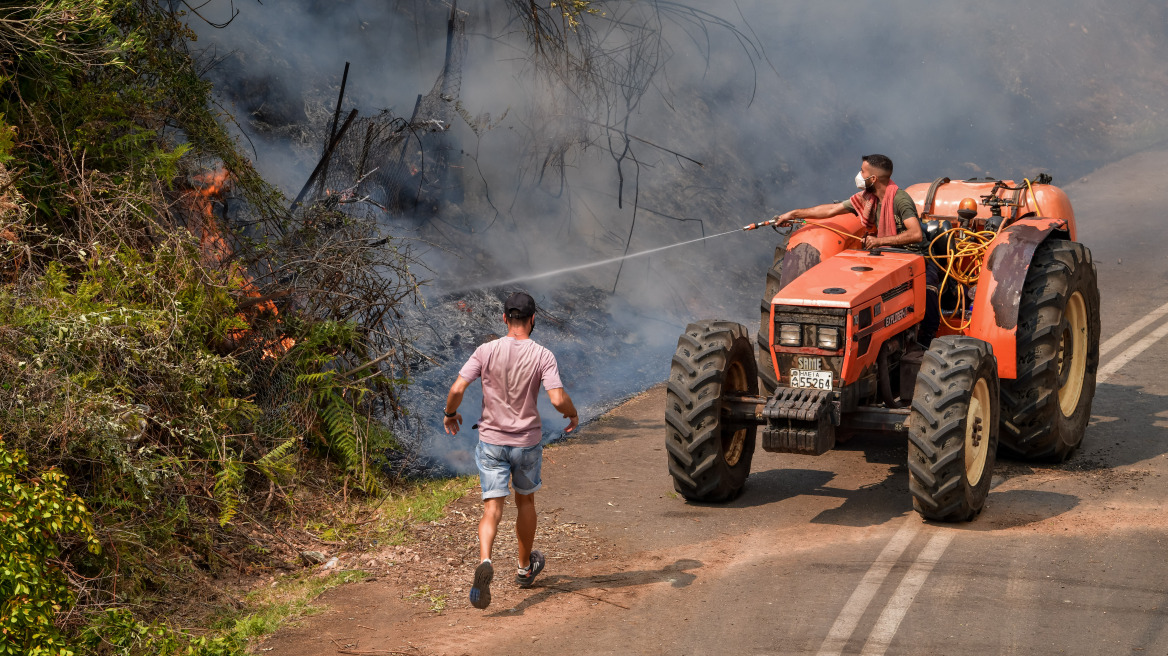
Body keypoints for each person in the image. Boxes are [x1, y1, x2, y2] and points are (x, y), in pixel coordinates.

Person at [443, 291, 579, 610]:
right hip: (526, 442)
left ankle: (486, 560)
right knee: (526, 501)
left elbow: (457, 388)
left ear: (504, 318)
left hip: (491, 440)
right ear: (534, 320)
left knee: (492, 507)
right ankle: (523, 568)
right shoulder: (542, 355)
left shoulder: (485, 350)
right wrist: (571, 414)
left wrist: (450, 414)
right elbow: (557, 399)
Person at [773, 153, 941, 348]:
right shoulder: (867, 198)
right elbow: (830, 211)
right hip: (885, 256)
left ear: (873, 178)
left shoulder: (900, 200)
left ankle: (925, 345)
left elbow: (915, 234)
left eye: (862, 172)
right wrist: (793, 214)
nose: (859, 176)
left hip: (914, 257)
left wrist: (879, 241)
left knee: (927, 296)